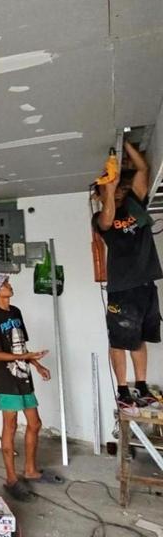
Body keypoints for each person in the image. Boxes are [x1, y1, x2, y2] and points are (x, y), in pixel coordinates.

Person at [94, 141, 162, 411]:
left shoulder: (135, 205)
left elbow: (143, 169)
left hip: (146, 286)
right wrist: (109, 190)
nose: (118, 188)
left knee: (139, 338)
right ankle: (123, 391)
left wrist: (126, 145)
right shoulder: (100, 218)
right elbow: (107, 219)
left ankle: (141, 388)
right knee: (119, 339)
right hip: (122, 289)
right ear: (99, 194)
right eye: (109, 187)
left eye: (120, 186)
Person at [0, 272, 61, 502]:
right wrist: (26, 357)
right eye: (5, 283)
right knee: (11, 425)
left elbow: (22, 347)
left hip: (23, 375)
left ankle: (30, 470)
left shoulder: (15, 312)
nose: (9, 285)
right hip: (5, 379)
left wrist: (37, 365)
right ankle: (11, 479)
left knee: (35, 424)